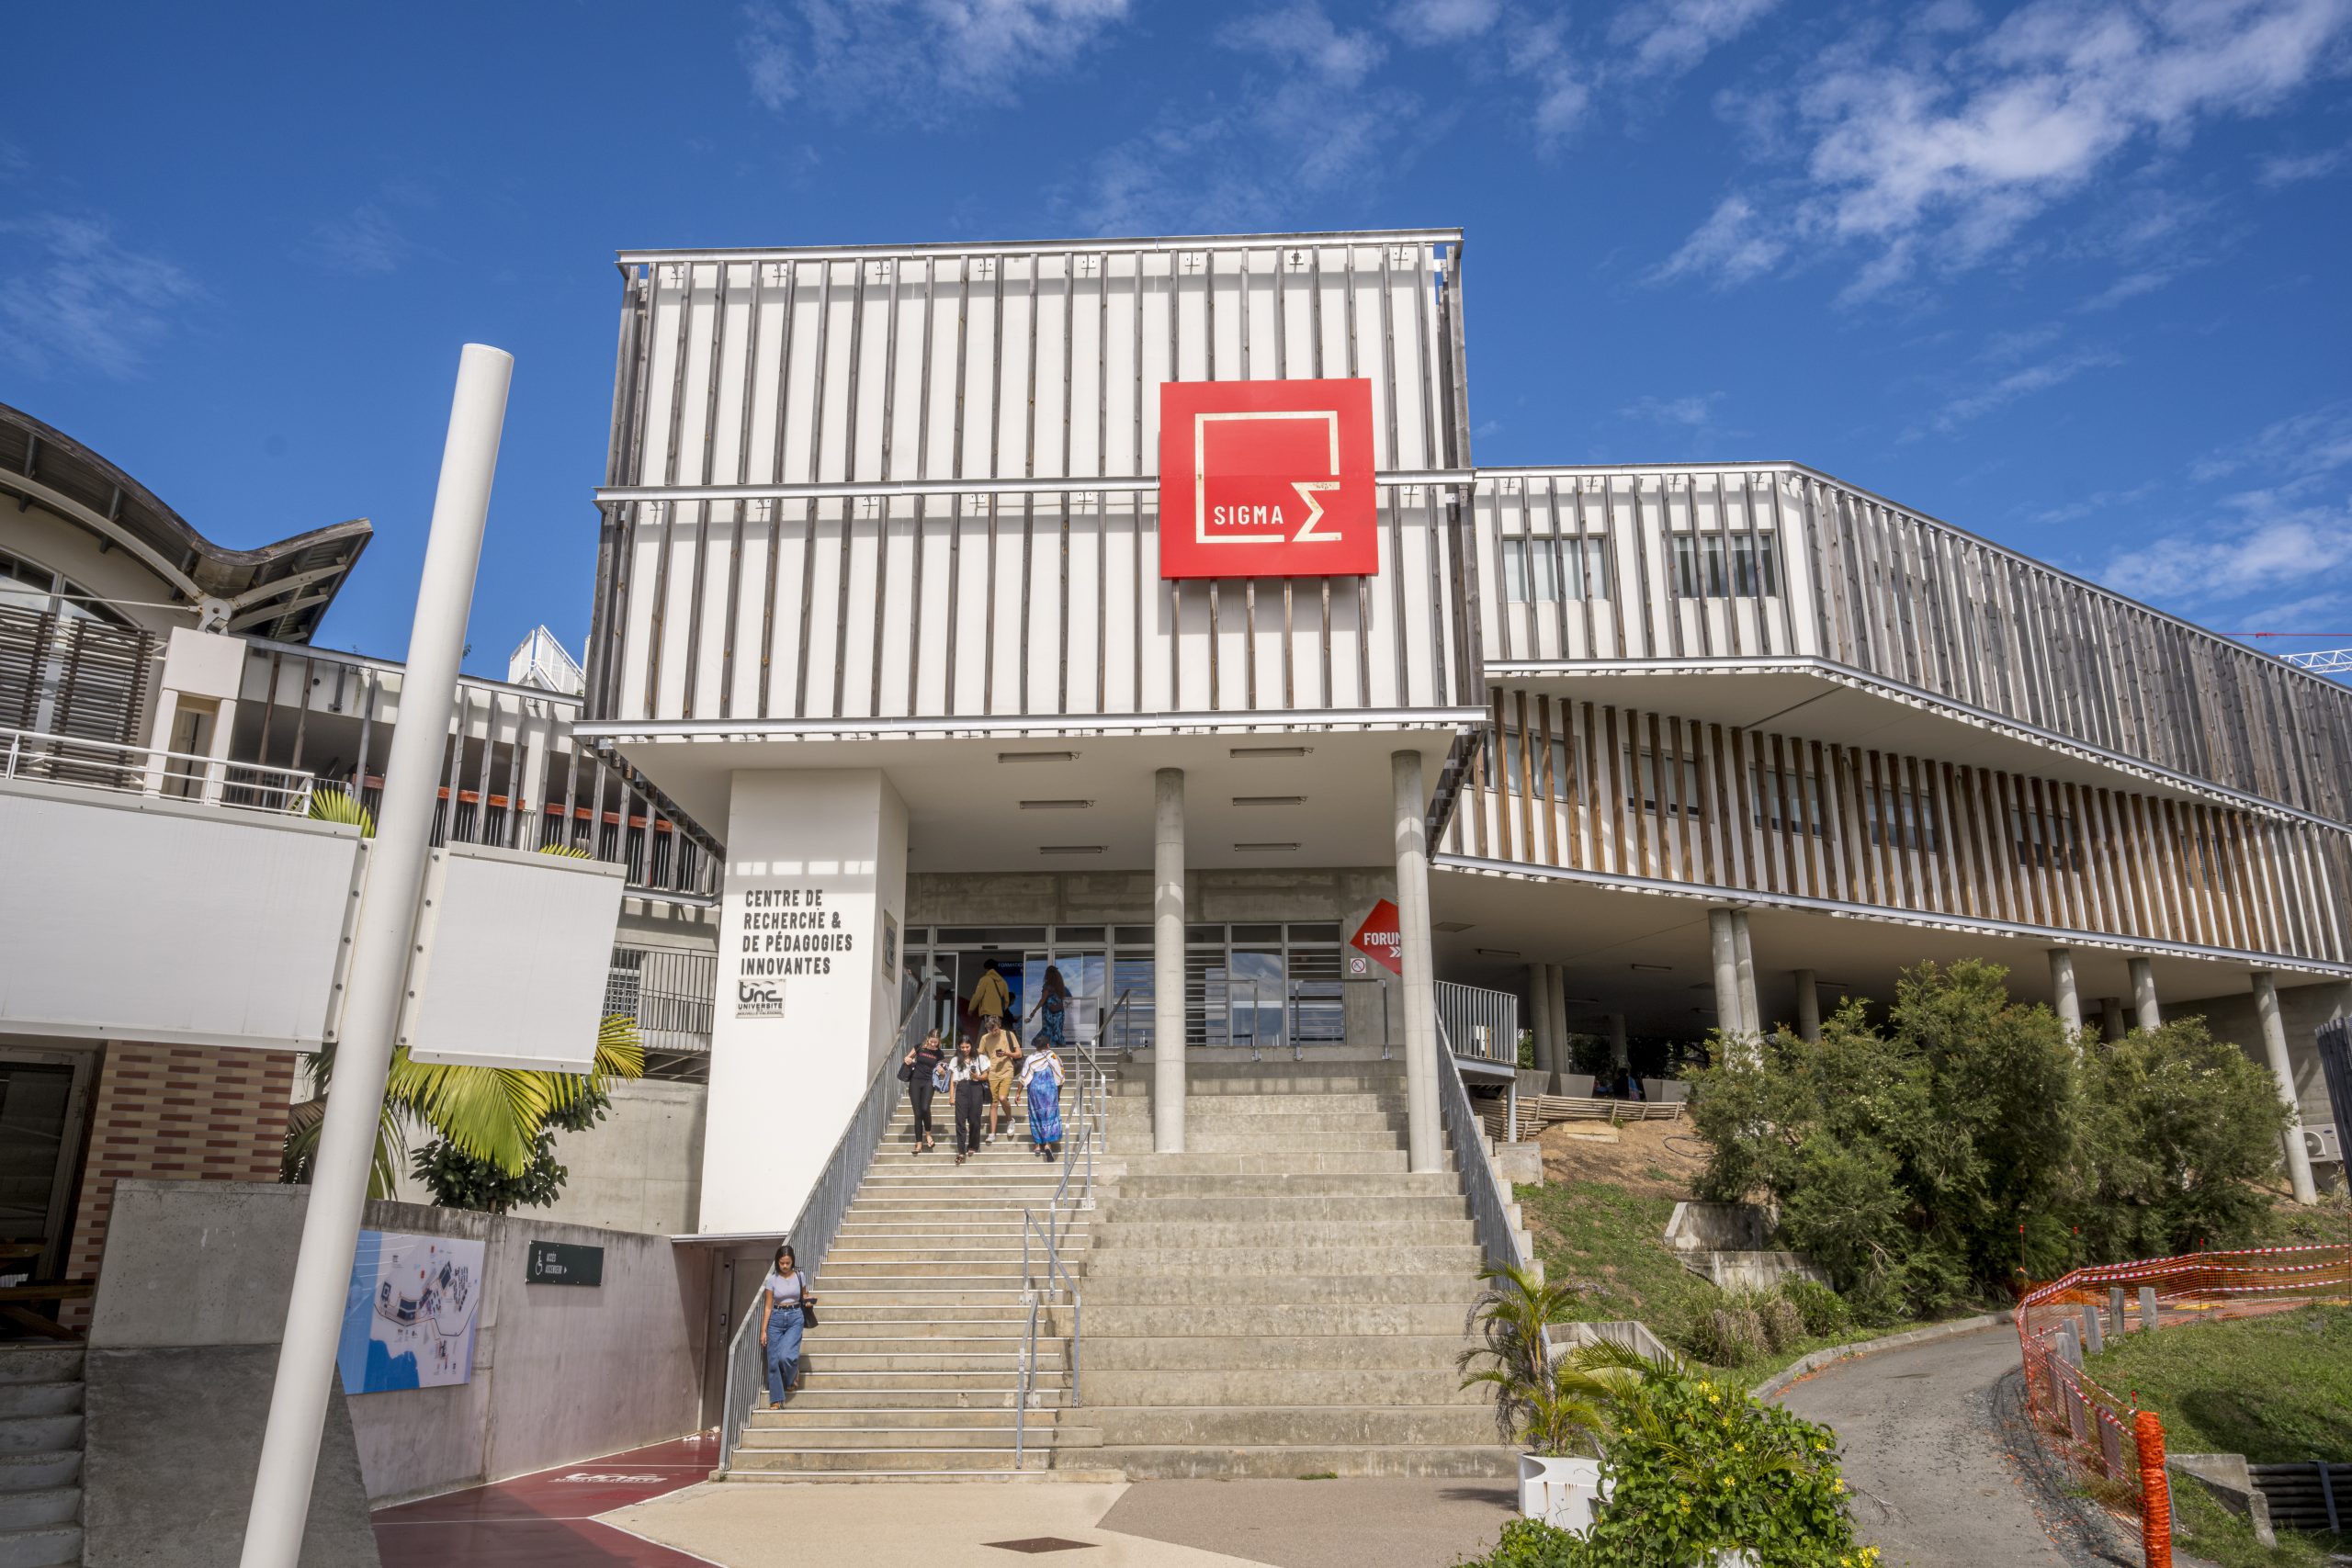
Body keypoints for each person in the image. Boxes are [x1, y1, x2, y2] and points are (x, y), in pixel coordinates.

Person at [759, 1243, 816, 1408]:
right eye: (781, 1263)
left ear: (792, 1262)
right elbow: (768, 1307)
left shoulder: (800, 1276)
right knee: (773, 1360)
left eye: (787, 1263)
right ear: (777, 1261)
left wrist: (808, 1301)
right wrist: (763, 1330)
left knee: (786, 1356)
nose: (784, 1266)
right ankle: (776, 1399)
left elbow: (804, 1295)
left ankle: (792, 1376)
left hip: (795, 1317)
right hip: (776, 1319)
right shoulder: (772, 1280)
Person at [1020, 1037, 1065, 1161]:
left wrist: (1018, 1093)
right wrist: (1058, 1094)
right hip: (1050, 1091)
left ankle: (1037, 1145)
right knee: (1050, 1116)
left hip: (1035, 1091)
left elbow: (1024, 1077)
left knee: (1035, 1115)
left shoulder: (1031, 1058)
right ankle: (1048, 1144)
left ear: (1036, 1046)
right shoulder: (1053, 1057)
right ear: (1048, 1045)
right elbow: (1060, 1078)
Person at [982, 1015, 1023, 1145]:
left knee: (1002, 1098)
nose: (993, 1033)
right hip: (992, 1073)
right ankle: (992, 1133)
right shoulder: (985, 1038)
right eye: (990, 1030)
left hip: (1007, 1070)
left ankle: (1010, 1120)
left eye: (995, 1029)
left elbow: (1019, 1054)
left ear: (999, 1025)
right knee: (993, 1104)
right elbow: (980, 1054)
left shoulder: (1009, 1035)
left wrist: (1006, 1053)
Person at [948, 1036, 989, 1164]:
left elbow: (986, 1075)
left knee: (975, 1119)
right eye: (962, 1047)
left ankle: (973, 1145)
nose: (965, 1049)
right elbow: (952, 1080)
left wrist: (977, 1076)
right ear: (959, 1047)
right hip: (961, 1088)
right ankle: (961, 1151)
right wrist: (951, 1096)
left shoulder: (980, 1058)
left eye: (967, 1047)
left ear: (972, 1046)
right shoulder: (955, 1060)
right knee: (960, 1121)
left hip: (976, 1087)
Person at [903, 1028, 945, 1153]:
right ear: (928, 1038)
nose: (933, 1044)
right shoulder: (919, 1047)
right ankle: (919, 1144)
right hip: (915, 1081)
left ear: (939, 1041)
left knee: (925, 1108)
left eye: (935, 1042)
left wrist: (942, 1072)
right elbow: (907, 1058)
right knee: (918, 1113)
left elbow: (942, 1071)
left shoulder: (940, 1054)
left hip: (929, 1082)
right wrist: (907, 1059)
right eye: (931, 1041)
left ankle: (928, 1134)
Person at [1026, 964, 1070, 1053]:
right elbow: (1066, 998)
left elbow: (1042, 1000)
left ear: (1048, 975)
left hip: (1048, 1013)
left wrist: (1033, 1012)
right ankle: (1060, 1049)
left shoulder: (1047, 986)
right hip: (1059, 1012)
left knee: (1047, 1030)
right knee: (1057, 1031)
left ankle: (1047, 1049)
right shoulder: (1060, 986)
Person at [969, 960, 1012, 1028]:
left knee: (986, 1033)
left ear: (986, 969)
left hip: (987, 1013)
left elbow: (978, 996)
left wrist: (971, 1009)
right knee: (995, 1033)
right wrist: (1000, 1011)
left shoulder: (984, 979)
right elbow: (1007, 1001)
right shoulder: (1003, 982)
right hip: (998, 1016)